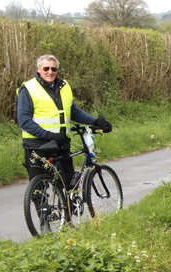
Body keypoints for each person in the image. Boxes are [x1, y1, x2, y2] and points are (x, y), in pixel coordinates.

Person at [17, 54, 112, 189]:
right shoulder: (28, 89)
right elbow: (24, 121)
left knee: (68, 185)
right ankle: (44, 210)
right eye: (46, 68)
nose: (50, 72)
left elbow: (73, 111)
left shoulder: (64, 86)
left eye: (54, 69)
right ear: (39, 69)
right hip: (37, 145)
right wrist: (48, 135)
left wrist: (95, 122)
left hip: (61, 143)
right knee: (38, 190)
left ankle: (69, 209)